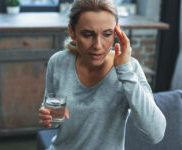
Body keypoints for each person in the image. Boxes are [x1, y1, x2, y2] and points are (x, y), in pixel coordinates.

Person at [38, 0, 166, 149]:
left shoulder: (130, 69)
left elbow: (155, 134)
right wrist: (49, 116)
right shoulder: (58, 61)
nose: (98, 45)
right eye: (87, 34)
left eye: (107, 34)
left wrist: (125, 71)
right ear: (72, 32)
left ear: (116, 33)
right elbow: (53, 117)